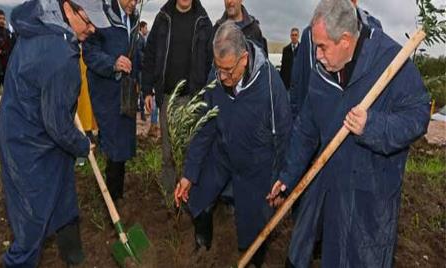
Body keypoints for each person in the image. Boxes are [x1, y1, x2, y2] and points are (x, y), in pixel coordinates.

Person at [266, 0, 430, 267]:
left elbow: (418, 115)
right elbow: (306, 129)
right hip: (332, 187)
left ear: (344, 40)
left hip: (371, 195)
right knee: (325, 253)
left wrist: (372, 126)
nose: (316, 56)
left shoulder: (390, 61)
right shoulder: (323, 72)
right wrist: (288, 176)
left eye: (321, 47)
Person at [0, 0, 110, 266]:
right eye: (89, 20)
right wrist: (81, 145)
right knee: (30, 230)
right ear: (69, 9)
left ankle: (74, 258)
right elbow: (57, 125)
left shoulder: (42, 24)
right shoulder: (61, 55)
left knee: (64, 202)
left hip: (39, 135)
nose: (93, 29)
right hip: (28, 149)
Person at [174, 22, 292, 267]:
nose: (223, 77)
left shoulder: (270, 85)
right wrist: (189, 173)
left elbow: (284, 135)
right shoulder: (217, 77)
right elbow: (205, 127)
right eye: (218, 69)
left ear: (245, 58)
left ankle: (253, 261)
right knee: (198, 195)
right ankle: (203, 247)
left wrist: (281, 181)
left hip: (256, 164)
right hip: (223, 152)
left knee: (255, 225)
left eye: (228, 70)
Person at [142, 0, 213, 195]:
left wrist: (205, 95)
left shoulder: (204, 22)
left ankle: (189, 195)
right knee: (168, 153)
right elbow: (149, 56)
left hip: (192, 99)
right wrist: (147, 90)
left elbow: (210, 63)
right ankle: (168, 197)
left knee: (191, 151)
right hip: (166, 98)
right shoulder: (163, 17)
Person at [83, 0, 138, 203]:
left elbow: (136, 54)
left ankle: (116, 194)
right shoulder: (101, 16)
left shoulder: (132, 18)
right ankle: (112, 198)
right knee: (114, 142)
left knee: (122, 143)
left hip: (126, 92)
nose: (133, 3)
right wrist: (112, 63)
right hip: (106, 92)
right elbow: (89, 53)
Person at [288, 0, 382, 119]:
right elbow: (298, 79)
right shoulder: (311, 33)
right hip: (319, 122)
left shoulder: (373, 30)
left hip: (356, 124)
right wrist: (297, 116)